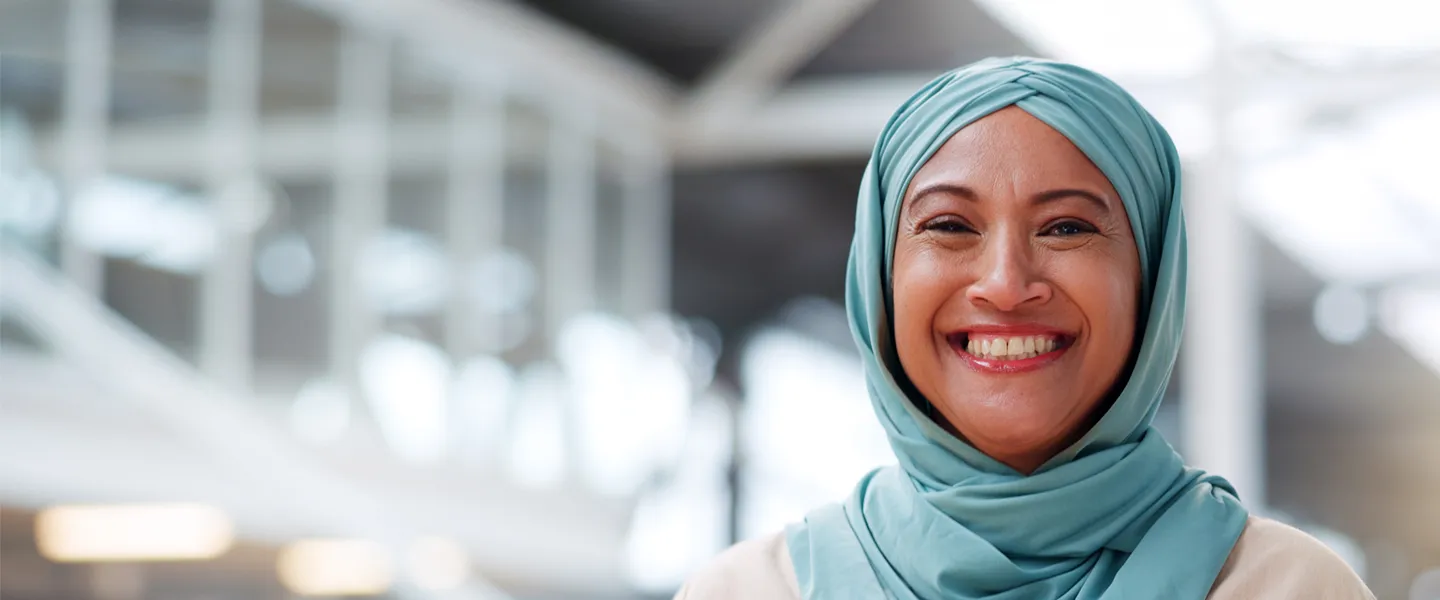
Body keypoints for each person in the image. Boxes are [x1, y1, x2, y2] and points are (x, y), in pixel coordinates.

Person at [675, 57, 1374, 600]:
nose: (1006, 284)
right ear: (880, 282)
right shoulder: (748, 592)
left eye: (1067, 227)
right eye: (949, 226)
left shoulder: (1286, 587)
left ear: (1152, 281)